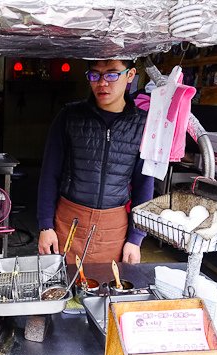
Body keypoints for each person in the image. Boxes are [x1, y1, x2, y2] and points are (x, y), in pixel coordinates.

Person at [37, 59, 154, 264]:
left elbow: (144, 184)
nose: (102, 83)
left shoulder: (142, 124)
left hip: (114, 228)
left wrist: (136, 239)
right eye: (94, 75)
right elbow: (49, 174)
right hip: (68, 221)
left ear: (130, 74)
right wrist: (46, 226)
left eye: (111, 74)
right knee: (60, 287)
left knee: (106, 288)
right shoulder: (69, 117)